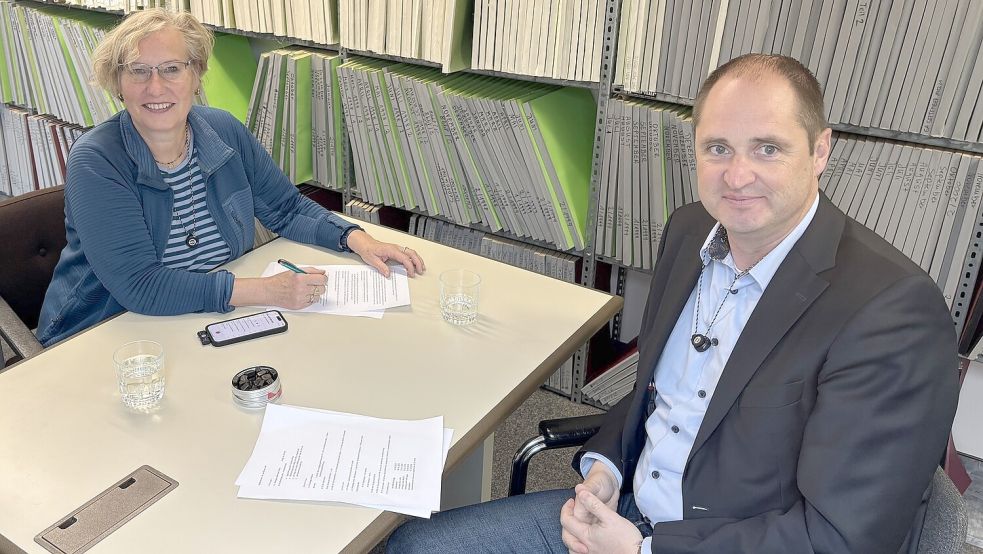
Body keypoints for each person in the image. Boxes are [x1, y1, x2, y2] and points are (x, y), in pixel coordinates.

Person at [387, 54, 959, 553]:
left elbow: (839, 539)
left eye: (768, 148)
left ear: (820, 151)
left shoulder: (890, 311)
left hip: (719, 541)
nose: (737, 175)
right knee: (416, 544)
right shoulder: (691, 232)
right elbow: (660, 397)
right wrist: (607, 466)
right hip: (629, 512)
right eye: (717, 148)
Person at [37, 9, 425, 347]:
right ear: (117, 83)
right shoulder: (97, 160)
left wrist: (357, 239)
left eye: (172, 68)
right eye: (138, 71)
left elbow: (286, 208)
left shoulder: (222, 130)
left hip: (206, 320)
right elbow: (141, 286)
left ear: (197, 74)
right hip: (107, 334)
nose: (156, 87)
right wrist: (267, 292)